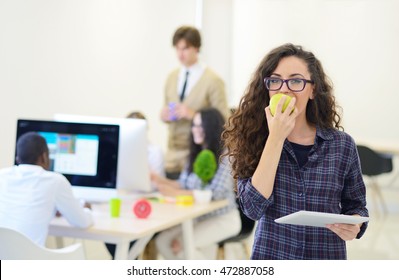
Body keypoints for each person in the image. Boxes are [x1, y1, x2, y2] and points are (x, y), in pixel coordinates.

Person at [221, 43, 369, 260]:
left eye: (296, 80)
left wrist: (354, 226)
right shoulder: (254, 141)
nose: (284, 89)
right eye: (275, 80)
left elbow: (357, 207)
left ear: (313, 90)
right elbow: (253, 208)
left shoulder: (342, 145)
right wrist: (276, 138)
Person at [153, 107, 240, 259]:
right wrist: (157, 180)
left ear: (211, 128)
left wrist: (176, 193)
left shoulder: (226, 157)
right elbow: (182, 183)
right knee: (162, 241)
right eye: (194, 125)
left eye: (201, 126)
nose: (195, 130)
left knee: (182, 246)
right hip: (198, 217)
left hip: (223, 218)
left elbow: (216, 193)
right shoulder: (194, 154)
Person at [0, 132, 93, 247]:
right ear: (44, 156)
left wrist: (53, 209)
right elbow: (82, 222)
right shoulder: (55, 180)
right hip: (29, 261)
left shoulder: (2, 175)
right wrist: (87, 210)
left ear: (18, 159)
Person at [160, 25, 230, 179]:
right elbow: (166, 107)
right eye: (177, 49)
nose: (180, 54)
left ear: (196, 48)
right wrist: (164, 115)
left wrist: (194, 115)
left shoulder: (213, 80)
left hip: (197, 155)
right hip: (172, 155)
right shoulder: (172, 77)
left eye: (185, 48)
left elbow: (223, 120)